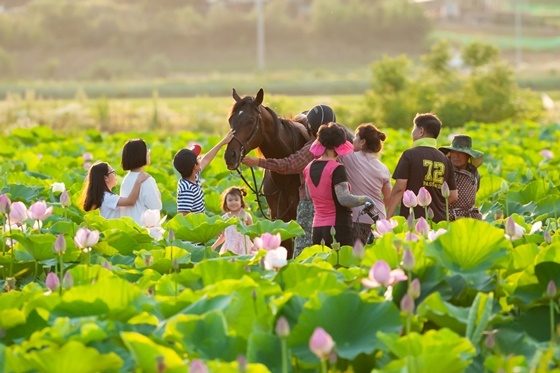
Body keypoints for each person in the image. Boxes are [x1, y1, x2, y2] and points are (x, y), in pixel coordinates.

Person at [242, 104, 336, 257]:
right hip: (331, 204)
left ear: (311, 128)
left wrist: (258, 162)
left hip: (310, 202)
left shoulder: (313, 149)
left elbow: (289, 164)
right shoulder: (342, 149)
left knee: (304, 246)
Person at [303, 123, 374, 246]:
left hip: (317, 229)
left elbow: (309, 195)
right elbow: (344, 199)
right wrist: (366, 199)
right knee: (343, 264)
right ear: (339, 146)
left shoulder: (308, 168)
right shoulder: (337, 168)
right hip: (338, 228)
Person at [387, 113, 458, 222]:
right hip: (439, 220)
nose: (412, 132)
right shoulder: (445, 160)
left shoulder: (409, 155)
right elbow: (453, 195)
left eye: (413, 129)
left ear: (421, 131)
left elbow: (399, 188)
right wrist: (435, 204)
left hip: (414, 219)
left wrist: (388, 216)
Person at [339, 123, 392, 244]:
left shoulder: (349, 158)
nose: (353, 140)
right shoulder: (383, 168)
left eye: (356, 137)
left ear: (362, 142)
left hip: (357, 218)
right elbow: (388, 197)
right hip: (379, 220)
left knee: (356, 258)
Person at [173, 130, 235, 214]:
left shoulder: (194, 175)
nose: (200, 159)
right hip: (194, 225)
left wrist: (223, 142)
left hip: (201, 218)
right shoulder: (187, 188)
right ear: (195, 166)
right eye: (198, 159)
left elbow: (206, 159)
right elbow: (182, 215)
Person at [81, 162, 150, 219]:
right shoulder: (107, 197)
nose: (115, 174)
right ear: (106, 178)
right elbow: (130, 201)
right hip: (114, 231)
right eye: (112, 172)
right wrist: (138, 181)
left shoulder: (105, 196)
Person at [439, 135, 484, 220]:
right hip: (446, 216)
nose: (456, 156)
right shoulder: (442, 170)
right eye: (454, 152)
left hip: (469, 218)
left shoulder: (474, 174)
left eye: (461, 153)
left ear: (468, 155)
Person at [120, 139, 163, 225]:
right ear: (139, 155)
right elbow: (156, 207)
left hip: (130, 230)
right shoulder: (146, 180)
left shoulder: (126, 179)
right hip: (146, 231)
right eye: (146, 150)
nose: (149, 153)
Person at [211, 186, 254, 254]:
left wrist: (257, 245)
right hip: (230, 248)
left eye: (236, 200)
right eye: (230, 200)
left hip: (244, 247)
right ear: (226, 203)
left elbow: (253, 233)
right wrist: (214, 246)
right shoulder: (224, 218)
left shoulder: (246, 216)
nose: (233, 202)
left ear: (241, 202)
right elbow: (223, 236)